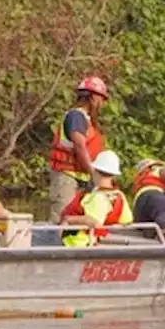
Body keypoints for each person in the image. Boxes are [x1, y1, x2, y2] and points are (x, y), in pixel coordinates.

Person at [48, 75, 109, 222]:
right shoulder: (76, 116)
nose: (102, 103)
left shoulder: (86, 119)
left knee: (77, 218)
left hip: (80, 177)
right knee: (63, 217)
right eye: (101, 99)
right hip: (67, 177)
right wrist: (93, 173)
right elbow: (80, 146)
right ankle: (54, 243)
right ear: (93, 97)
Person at [59, 150, 132, 247]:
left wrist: (69, 219)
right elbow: (126, 220)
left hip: (77, 243)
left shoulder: (96, 198)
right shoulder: (119, 195)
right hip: (98, 242)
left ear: (95, 171)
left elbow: (93, 222)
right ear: (114, 175)